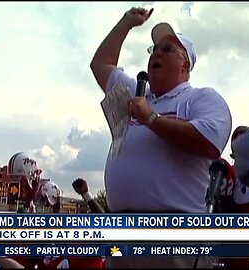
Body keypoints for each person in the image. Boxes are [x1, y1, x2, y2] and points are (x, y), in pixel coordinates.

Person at [90, 7, 232, 268]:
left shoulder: (199, 98)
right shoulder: (137, 94)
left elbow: (210, 141)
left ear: (185, 64)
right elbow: (100, 65)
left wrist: (152, 120)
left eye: (166, 50)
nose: (156, 53)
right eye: (153, 49)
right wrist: (125, 23)